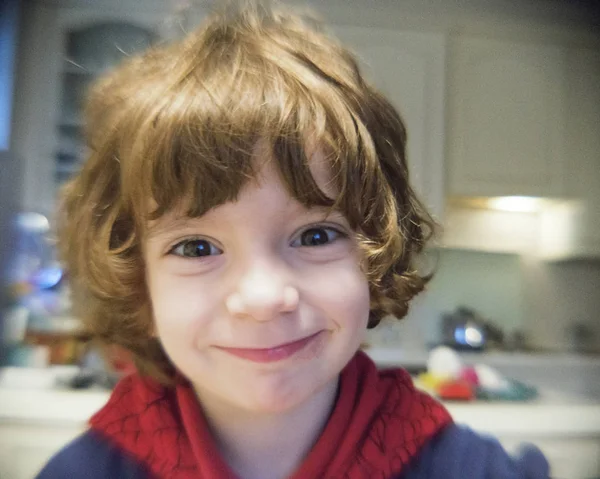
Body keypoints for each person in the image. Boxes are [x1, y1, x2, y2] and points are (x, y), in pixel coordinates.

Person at [37, 2, 549, 478]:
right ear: (137, 285)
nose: (262, 298)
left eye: (316, 235)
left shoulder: (466, 468)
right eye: (196, 247)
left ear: (373, 260)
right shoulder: (87, 470)